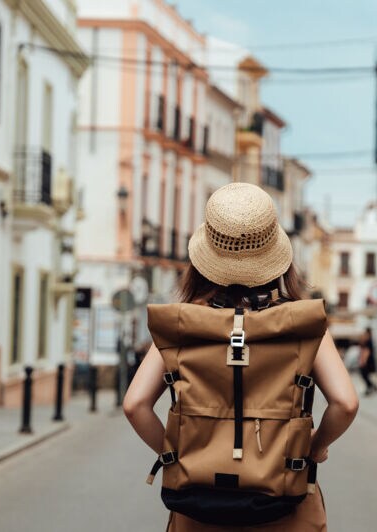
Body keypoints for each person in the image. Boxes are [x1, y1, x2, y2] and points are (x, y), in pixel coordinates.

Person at [123, 183, 359, 531]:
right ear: (277, 254)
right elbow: (346, 403)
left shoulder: (183, 324)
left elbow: (135, 405)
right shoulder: (300, 325)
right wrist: (311, 448)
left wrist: (180, 457)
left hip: (199, 509)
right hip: (285, 505)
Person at [357, 328, 377, 396]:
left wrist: (363, 361)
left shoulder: (368, 341)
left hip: (367, 361)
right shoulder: (370, 340)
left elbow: (367, 351)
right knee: (366, 376)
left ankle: (370, 387)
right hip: (369, 360)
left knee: (364, 375)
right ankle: (371, 387)